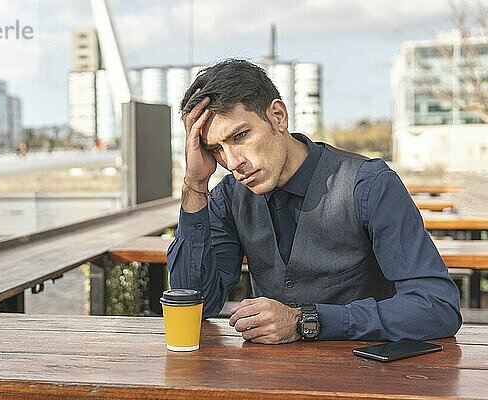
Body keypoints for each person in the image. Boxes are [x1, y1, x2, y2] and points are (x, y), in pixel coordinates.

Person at [167, 59, 461, 344]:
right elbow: (197, 305)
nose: (232, 162)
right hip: (268, 383)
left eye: (240, 136)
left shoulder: (369, 185)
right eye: (216, 149)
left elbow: (437, 307)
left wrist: (304, 321)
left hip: (364, 380)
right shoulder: (229, 196)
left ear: (278, 116)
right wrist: (194, 185)